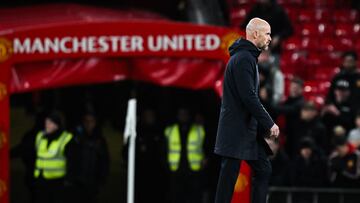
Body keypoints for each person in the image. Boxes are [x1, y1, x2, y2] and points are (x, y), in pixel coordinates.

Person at [214, 18, 280, 203]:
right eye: (267, 33)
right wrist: (269, 122)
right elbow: (248, 97)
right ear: (255, 34)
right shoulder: (244, 59)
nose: (270, 38)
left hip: (244, 131)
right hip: (236, 131)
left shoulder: (246, 57)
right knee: (228, 180)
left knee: (263, 169)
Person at [164, 107, 206, 203]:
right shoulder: (170, 130)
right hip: (175, 172)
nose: (183, 116)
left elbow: (207, 145)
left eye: (185, 114)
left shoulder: (198, 129)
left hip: (194, 171)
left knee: (194, 198)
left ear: (189, 115)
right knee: (176, 198)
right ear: (177, 116)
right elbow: (163, 150)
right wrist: (166, 166)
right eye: (181, 114)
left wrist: (206, 160)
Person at [67, 112, 109, 203]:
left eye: (91, 121)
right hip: (77, 182)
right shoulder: (76, 138)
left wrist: (103, 177)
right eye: (86, 121)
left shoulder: (100, 140)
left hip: (93, 183)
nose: (89, 124)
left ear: (95, 123)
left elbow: (104, 160)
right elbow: (70, 157)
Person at [33, 112, 74, 203]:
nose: (47, 125)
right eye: (46, 122)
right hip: (41, 180)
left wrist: (69, 179)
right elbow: (32, 153)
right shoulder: (40, 136)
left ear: (57, 125)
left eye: (50, 123)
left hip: (57, 182)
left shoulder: (66, 138)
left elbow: (72, 161)